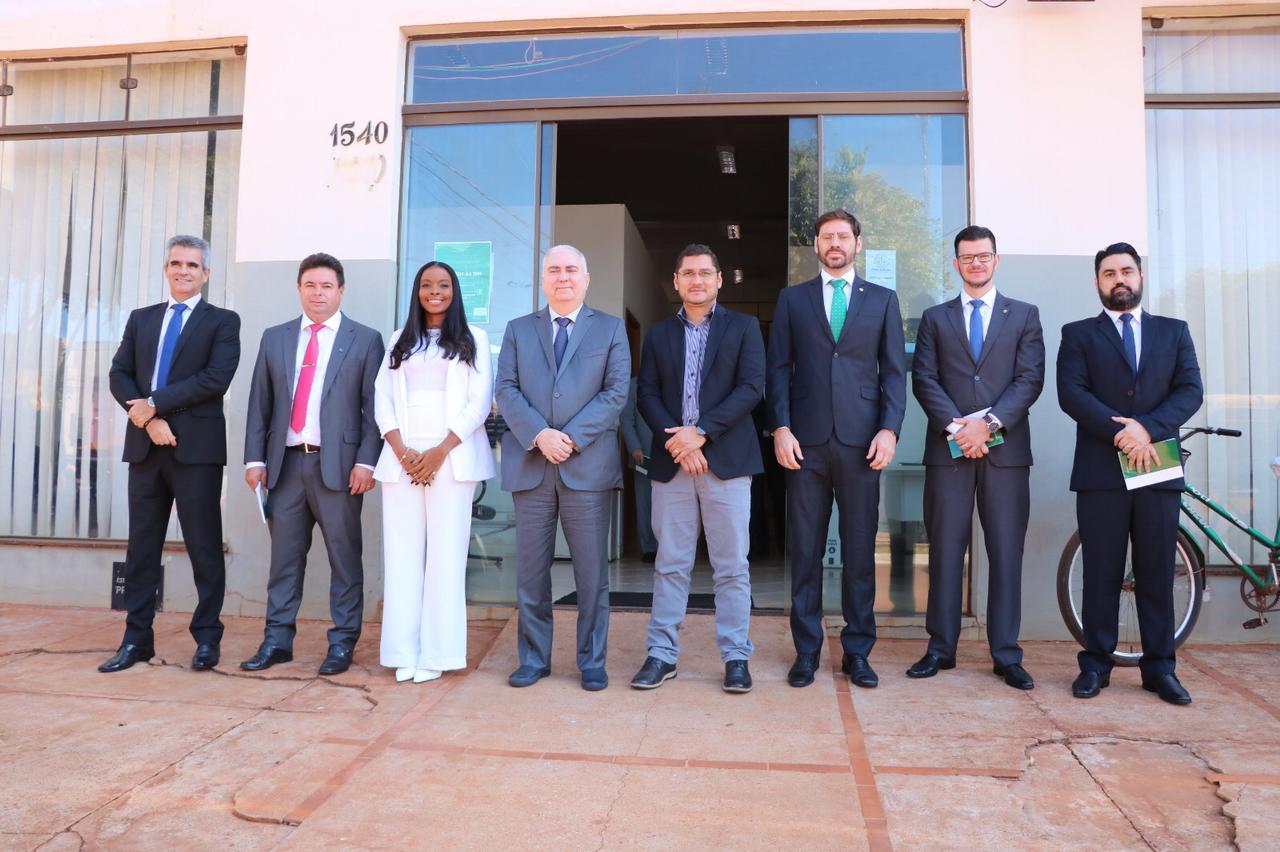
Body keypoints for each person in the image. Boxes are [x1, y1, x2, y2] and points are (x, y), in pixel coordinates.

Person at [1058, 242, 1203, 705]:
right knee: (1100, 570)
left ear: (1140, 276)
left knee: (1156, 571)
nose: (1118, 279)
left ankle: (1160, 668)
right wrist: (1121, 433)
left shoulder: (1173, 332)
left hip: (1156, 467)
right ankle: (1095, 665)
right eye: (1108, 273)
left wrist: (1147, 429)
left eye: (1126, 271)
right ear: (1097, 282)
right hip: (1102, 471)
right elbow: (1071, 394)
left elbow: (1190, 391)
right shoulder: (1078, 333)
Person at [767, 209, 906, 689]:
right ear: (817, 245)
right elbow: (778, 369)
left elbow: (893, 372)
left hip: (862, 443)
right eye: (827, 237)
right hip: (804, 444)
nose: (835, 244)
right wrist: (780, 428)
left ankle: (858, 652)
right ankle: (807, 651)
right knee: (804, 551)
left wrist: (889, 430)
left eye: (843, 236)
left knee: (860, 552)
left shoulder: (883, 300)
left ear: (858, 244)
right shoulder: (792, 300)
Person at [909, 226, 1045, 689]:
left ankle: (1006, 654)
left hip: (1005, 454)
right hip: (948, 452)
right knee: (945, 550)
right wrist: (958, 428)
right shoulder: (934, 318)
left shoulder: (1024, 315)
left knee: (1005, 552)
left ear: (996, 260)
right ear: (956, 264)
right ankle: (940, 648)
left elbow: (1029, 380)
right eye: (967, 258)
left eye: (983, 256)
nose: (976, 264)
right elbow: (924, 379)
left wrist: (985, 426)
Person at [100, 235, 240, 673]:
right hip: (146, 448)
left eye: (193, 265)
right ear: (166, 269)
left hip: (196, 452)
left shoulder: (223, 321)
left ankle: (207, 639)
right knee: (141, 549)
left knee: (203, 547)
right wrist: (146, 419)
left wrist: (155, 404)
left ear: (206, 274)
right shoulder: (142, 319)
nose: (183, 270)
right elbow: (119, 374)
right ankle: (136, 640)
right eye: (176, 263)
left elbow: (215, 379)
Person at [241, 253, 384, 676]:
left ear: (341, 290)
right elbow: (259, 405)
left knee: (345, 560)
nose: (318, 293)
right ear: (299, 288)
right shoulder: (276, 337)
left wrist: (366, 463)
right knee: (284, 561)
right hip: (285, 467)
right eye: (310, 285)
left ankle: (342, 644)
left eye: (326, 286)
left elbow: (373, 409)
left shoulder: (365, 339)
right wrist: (254, 460)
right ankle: (277, 641)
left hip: (339, 469)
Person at [630, 244, 764, 693]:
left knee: (731, 566)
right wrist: (679, 443)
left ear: (720, 280)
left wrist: (701, 432)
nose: (697, 281)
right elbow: (646, 394)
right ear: (676, 281)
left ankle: (735, 656)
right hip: (673, 463)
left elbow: (751, 388)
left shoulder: (743, 328)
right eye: (688, 273)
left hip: (725, 461)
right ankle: (661, 654)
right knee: (670, 564)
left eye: (705, 273)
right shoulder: (658, 334)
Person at [495, 244, 629, 691]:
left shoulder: (610, 330)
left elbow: (615, 394)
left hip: (586, 467)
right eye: (554, 270)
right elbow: (507, 389)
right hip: (532, 465)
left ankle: (592, 661)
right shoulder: (517, 330)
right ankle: (533, 658)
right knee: (531, 573)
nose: (563, 277)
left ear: (586, 279)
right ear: (543, 278)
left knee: (591, 574)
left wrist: (568, 437)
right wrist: (540, 435)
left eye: (572, 269)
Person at [373, 261, 495, 684]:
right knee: (403, 556)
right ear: (417, 291)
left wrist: (439, 452)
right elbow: (381, 400)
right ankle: (402, 651)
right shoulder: (398, 340)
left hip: (451, 459)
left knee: (445, 557)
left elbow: (479, 405)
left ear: (455, 291)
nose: (434, 292)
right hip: (403, 461)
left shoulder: (473, 339)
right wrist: (404, 452)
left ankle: (439, 654)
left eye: (443, 285)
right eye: (426, 285)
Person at [620, 377, 658, 562]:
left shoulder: (672, 379)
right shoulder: (633, 386)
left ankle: (667, 548)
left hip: (672, 454)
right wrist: (634, 446)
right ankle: (649, 548)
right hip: (644, 455)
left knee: (671, 504)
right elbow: (627, 419)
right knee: (645, 503)